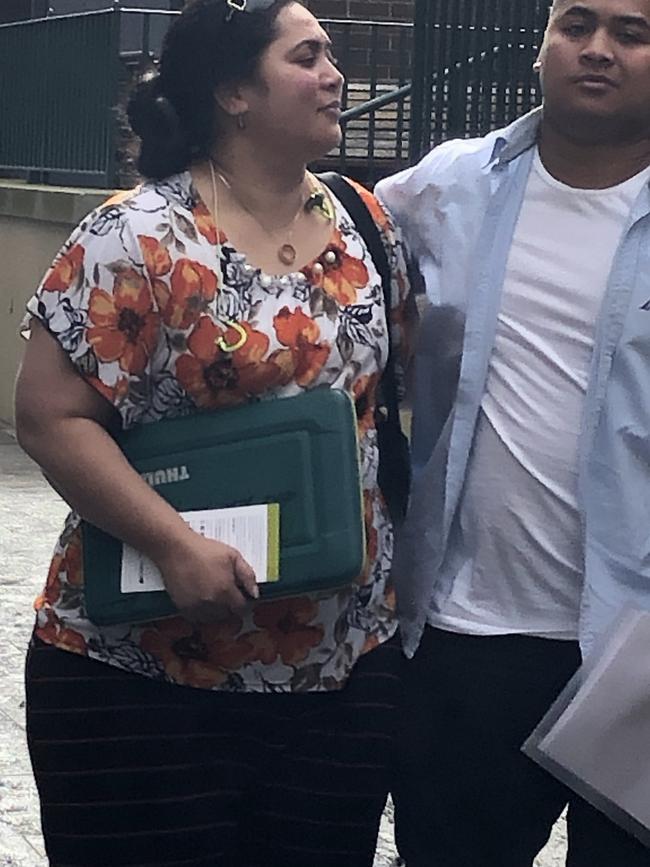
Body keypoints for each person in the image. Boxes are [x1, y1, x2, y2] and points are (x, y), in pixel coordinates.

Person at [15, 2, 414, 865]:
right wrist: (175, 544)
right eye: (307, 57)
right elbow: (49, 415)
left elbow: (383, 396)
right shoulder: (136, 235)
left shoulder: (364, 224)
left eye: (331, 55)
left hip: (336, 673)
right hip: (144, 677)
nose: (335, 75)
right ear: (235, 92)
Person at [376, 0, 650, 865]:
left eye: (632, 34)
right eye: (575, 25)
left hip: (638, 649)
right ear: (542, 44)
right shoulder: (448, 185)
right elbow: (313, 238)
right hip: (468, 641)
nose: (597, 50)